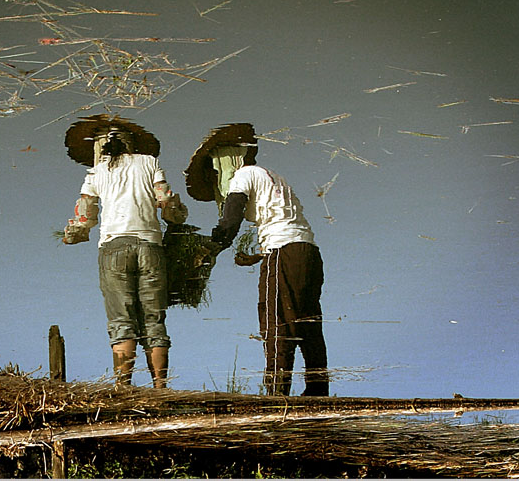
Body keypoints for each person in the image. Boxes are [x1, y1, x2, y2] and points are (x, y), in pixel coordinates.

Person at [184, 123, 329, 397]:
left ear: (227, 162)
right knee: (308, 321)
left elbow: (230, 221)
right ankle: (318, 390)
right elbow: (284, 223)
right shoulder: (272, 178)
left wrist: (210, 249)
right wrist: (254, 257)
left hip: (283, 254)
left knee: (276, 321)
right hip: (307, 253)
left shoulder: (241, 177)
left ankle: (276, 394)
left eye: (217, 171)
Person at [62, 114, 188, 389]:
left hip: (113, 247)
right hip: (150, 246)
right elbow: (165, 201)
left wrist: (73, 235)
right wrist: (177, 216)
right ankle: (160, 386)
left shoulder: (96, 172)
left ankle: (123, 386)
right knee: (154, 317)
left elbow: (85, 216)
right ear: (132, 144)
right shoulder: (149, 162)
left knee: (121, 319)